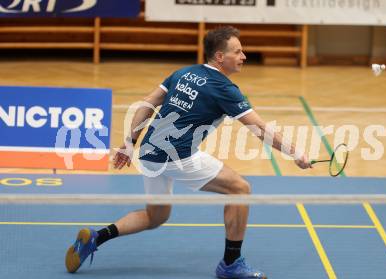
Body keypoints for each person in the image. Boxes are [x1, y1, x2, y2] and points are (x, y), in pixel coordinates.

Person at [65, 26, 311, 279]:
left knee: (155, 216)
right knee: (240, 189)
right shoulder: (225, 89)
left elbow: (146, 104)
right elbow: (260, 129)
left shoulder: (184, 73)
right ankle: (231, 264)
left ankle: (96, 237)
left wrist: (130, 143)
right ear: (219, 57)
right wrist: (296, 154)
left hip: (149, 153)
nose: (244, 56)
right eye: (237, 51)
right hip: (176, 156)